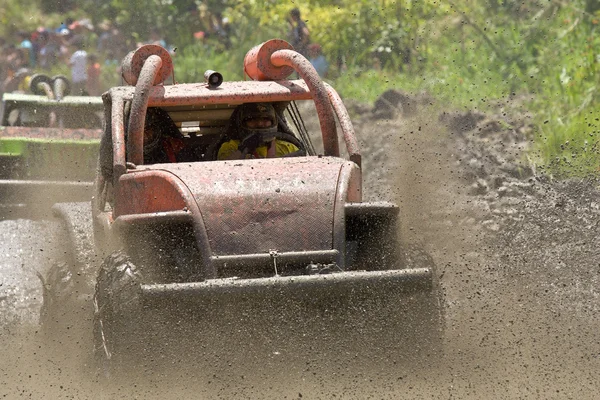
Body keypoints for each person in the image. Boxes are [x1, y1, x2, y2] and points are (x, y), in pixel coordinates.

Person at [217, 103, 302, 160]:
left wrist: (271, 148)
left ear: (274, 122)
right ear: (242, 123)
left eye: (265, 119)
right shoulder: (230, 147)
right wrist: (243, 149)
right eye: (253, 119)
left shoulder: (288, 148)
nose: (260, 123)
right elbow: (222, 172)